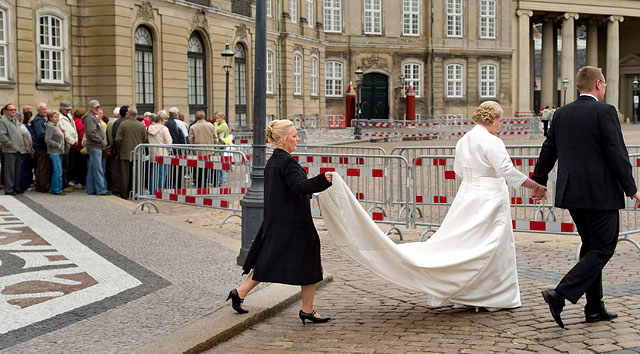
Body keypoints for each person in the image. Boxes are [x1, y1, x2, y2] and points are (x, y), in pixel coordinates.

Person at [317, 101, 546, 310]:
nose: (500, 126)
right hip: (490, 196)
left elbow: (458, 171)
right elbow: (506, 170)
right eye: (500, 121)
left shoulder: (464, 140)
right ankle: (490, 294)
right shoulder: (492, 141)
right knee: (492, 244)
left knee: (460, 242)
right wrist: (534, 185)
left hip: (468, 194)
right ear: (494, 119)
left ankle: (464, 291)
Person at [531, 66, 640, 329]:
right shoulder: (605, 111)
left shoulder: (561, 113)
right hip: (600, 193)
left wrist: (539, 181)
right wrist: (632, 188)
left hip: (572, 193)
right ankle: (561, 293)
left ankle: (594, 307)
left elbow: (549, 149)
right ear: (599, 85)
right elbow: (617, 152)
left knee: (591, 248)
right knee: (603, 248)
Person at [228, 119, 334, 324]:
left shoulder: (273, 161)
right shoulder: (287, 162)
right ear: (284, 139)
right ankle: (307, 309)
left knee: (268, 260)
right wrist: (324, 179)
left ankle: (239, 293)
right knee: (310, 260)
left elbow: (288, 189)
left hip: (278, 221)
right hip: (294, 223)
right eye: (294, 136)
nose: (298, 139)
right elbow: (299, 186)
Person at [115, 107, 146, 199]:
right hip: (137, 153)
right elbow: (144, 138)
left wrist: (120, 148)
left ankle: (124, 194)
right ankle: (136, 193)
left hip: (125, 152)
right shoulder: (141, 125)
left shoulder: (123, 124)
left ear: (128, 114)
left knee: (125, 175)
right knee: (136, 174)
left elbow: (118, 139)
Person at [83, 100, 110, 196]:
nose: (97, 109)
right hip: (95, 145)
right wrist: (101, 141)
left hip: (95, 145)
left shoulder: (92, 117)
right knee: (98, 168)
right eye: (95, 107)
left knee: (93, 168)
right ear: (90, 108)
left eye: (98, 107)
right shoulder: (90, 118)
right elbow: (91, 133)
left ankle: (91, 188)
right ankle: (100, 189)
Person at [0, 104, 26, 195]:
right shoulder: (3, 121)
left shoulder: (15, 120)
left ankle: (16, 187)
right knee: (9, 170)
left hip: (18, 149)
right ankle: (9, 189)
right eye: (11, 110)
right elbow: (2, 135)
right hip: (9, 149)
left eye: (15, 109)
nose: (13, 111)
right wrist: (10, 144)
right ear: (6, 111)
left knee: (17, 170)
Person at [188, 110, 218, 188]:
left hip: (198, 151)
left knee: (199, 168)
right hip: (209, 150)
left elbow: (190, 140)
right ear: (204, 117)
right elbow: (215, 138)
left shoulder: (193, 127)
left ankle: (200, 184)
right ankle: (212, 182)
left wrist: (193, 148)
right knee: (210, 167)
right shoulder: (210, 126)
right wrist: (214, 146)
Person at [147, 112, 172, 194]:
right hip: (162, 154)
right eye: (164, 120)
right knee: (162, 175)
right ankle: (160, 192)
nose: (165, 121)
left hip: (152, 154)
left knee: (153, 174)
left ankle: (152, 191)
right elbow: (169, 142)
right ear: (161, 120)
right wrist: (169, 150)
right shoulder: (164, 129)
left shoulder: (149, 128)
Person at [32, 103, 52, 192]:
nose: (45, 111)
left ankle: (41, 186)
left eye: (46, 109)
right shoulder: (38, 121)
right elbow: (41, 135)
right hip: (42, 147)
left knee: (42, 167)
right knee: (43, 168)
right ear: (38, 110)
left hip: (43, 147)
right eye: (43, 109)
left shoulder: (43, 119)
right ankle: (43, 187)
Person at [45, 111, 65, 195]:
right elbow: (47, 139)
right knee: (57, 171)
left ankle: (57, 188)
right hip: (54, 151)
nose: (57, 118)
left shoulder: (56, 126)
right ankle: (56, 189)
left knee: (58, 171)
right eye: (55, 117)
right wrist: (57, 145)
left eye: (57, 117)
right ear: (50, 118)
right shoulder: (50, 126)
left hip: (59, 151)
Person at [71, 107, 87, 189]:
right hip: (80, 147)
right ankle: (80, 181)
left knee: (75, 165)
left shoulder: (72, 121)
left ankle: (75, 180)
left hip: (74, 146)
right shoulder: (80, 123)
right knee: (81, 166)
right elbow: (82, 136)